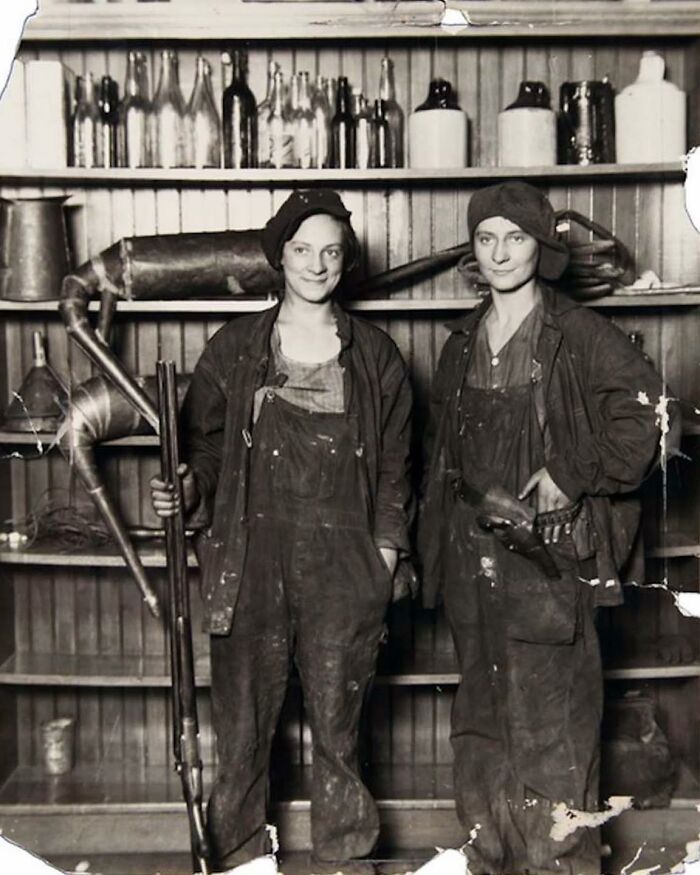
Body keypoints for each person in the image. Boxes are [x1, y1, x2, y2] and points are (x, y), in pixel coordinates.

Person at [151, 189, 414, 875]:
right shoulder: (235, 350)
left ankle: (348, 859)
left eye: (331, 251)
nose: (317, 264)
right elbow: (204, 451)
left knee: (340, 733)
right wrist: (189, 487)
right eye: (302, 249)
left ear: (345, 260)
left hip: (345, 569)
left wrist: (383, 557)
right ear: (280, 257)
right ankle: (241, 861)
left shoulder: (378, 358)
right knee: (242, 734)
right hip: (250, 561)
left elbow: (395, 473)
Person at [419, 181, 677, 875]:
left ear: (542, 246)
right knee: (481, 729)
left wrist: (570, 471)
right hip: (474, 567)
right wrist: (427, 561)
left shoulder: (580, 336)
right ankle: (490, 861)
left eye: (516, 237)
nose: (500, 252)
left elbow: (655, 419)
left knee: (553, 735)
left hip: (548, 561)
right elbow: (442, 465)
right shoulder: (461, 343)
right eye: (486, 238)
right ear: (473, 251)